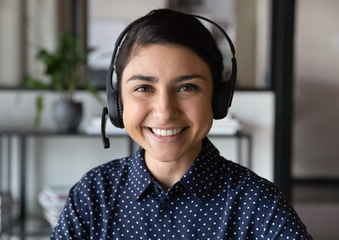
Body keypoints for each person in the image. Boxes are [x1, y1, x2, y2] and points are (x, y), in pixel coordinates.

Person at [51, 9, 312, 239]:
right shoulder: (92, 196)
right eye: (143, 88)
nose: (165, 112)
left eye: (187, 87)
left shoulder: (258, 204)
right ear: (118, 102)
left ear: (218, 98)